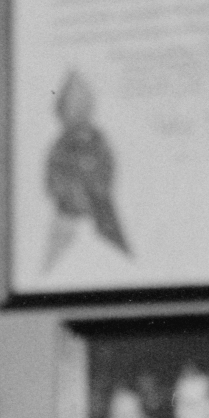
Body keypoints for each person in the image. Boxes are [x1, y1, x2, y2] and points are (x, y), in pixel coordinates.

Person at [40, 70, 129, 275]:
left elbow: (108, 168)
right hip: (67, 210)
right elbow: (52, 176)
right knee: (55, 262)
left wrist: (98, 190)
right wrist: (68, 195)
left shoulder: (99, 139)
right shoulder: (61, 145)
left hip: (99, 206)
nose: (76, 111)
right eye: (71, 106)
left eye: (81, 104)